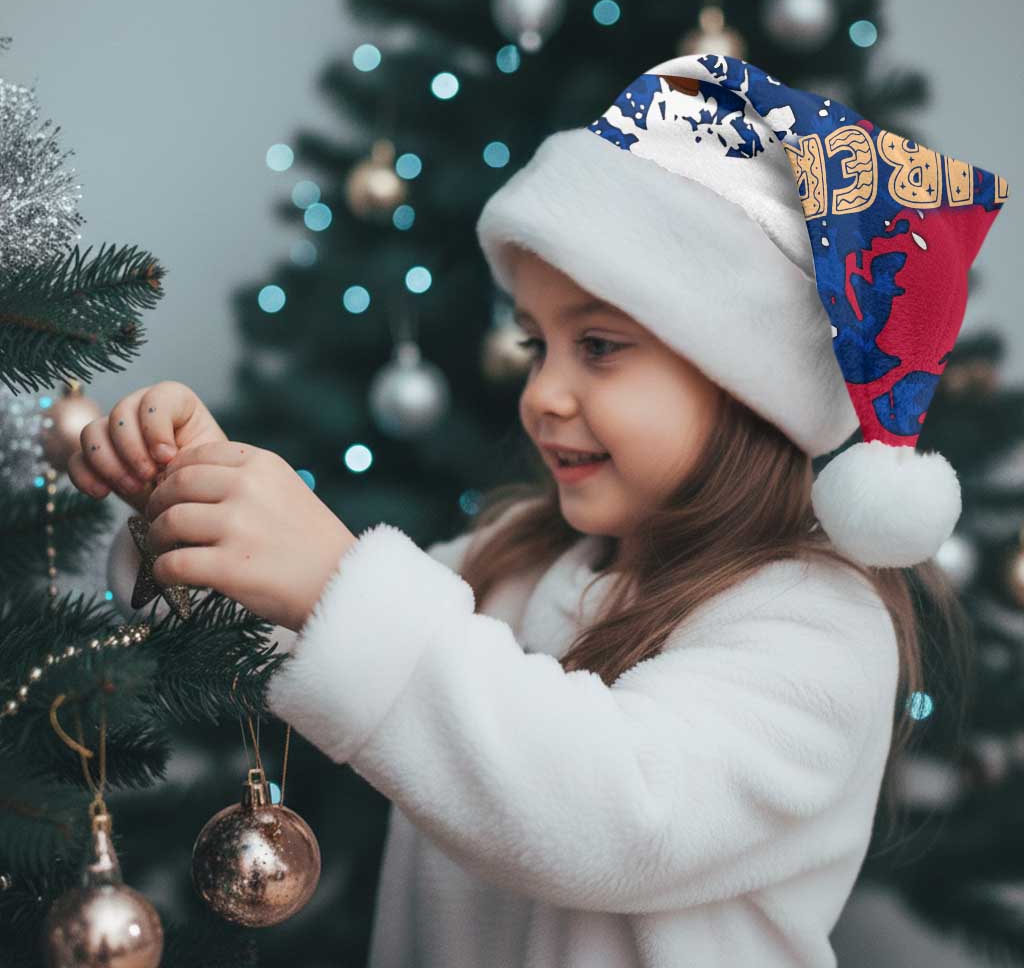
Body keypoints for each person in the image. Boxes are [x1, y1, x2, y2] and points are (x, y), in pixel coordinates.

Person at [72, 53, 1010, 967]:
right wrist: (193, 506)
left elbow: (616, 815)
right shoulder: (516, 560)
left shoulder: (818, 627)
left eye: (598, 346)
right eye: (535, 346)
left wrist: (334, 582)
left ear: (746, 382)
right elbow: (302, 635)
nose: (542, 395)